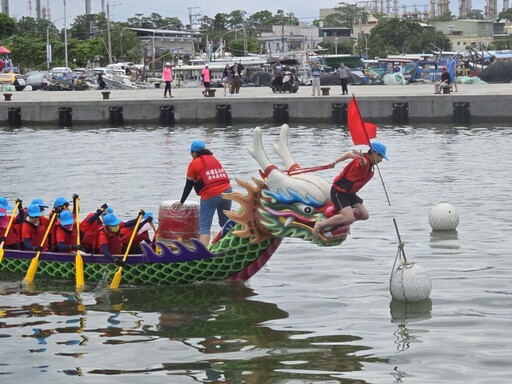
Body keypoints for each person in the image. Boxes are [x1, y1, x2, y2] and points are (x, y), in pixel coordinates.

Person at [312, 142, 389, 240]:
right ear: (376, 154)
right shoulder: (364, 161)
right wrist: (361, 159)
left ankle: (341, 221)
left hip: (349, 193)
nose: (381, 160)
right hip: (339, 192)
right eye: (381, 157)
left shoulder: (365, 159)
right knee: (349, 218)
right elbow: (363, 164)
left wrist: (335, 162)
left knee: (364, 215)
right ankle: (320, 225)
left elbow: (348, 154)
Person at [172, 140, 232, 247]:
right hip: (227, 191)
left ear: (194, 153)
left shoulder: (194, 164)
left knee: (204, 226)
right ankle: (231, 244)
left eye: (191, 153)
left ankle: (204, 253)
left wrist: (181, 201)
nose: (191, 155)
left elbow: (189, 185)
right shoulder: (214, 159)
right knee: (225, 223)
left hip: (211, 194)